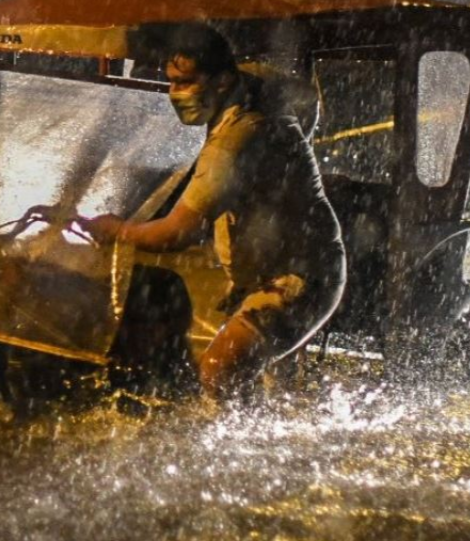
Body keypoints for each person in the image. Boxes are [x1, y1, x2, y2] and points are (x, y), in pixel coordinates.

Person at [80, 25, 346, 401]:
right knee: (253, 391)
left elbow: (177, 233)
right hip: (268, 270)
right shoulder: (252, 88)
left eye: (186, 82)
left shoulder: (237, 141)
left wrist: (117, 230)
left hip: (299, 279)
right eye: (171, 82)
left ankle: (236, 457)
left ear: (222, 81)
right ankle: (265, 448)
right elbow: (304, 101)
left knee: (219, 375)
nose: (176, 94)